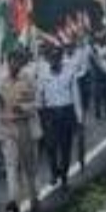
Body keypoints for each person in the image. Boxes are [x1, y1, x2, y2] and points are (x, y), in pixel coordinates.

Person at [0, 52, 42, 212]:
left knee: (29, 165)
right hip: (8, 126)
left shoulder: (28, 80)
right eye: (11, 62)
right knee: (11, 165)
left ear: (20, 63)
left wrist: (23, 107)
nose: (13, 65)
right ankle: (13, 200)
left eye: (16, 62)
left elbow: (38, 102)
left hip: (25, 126)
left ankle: (34, 196)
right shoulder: (1, 81)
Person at [38, 47, 82, 188]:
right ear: (48, 59)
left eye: (56, 58)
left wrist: (79, 119)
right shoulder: (43, 75)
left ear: (60, 59)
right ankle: (54, 172)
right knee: (51, 147)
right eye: (51, 58)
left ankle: (64, 176)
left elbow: (76, 97)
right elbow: (40, 96)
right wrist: (40, 115)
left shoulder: (69, 73)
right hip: (50, 114)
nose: (54, 61)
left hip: (66, 112)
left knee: (65, 148)